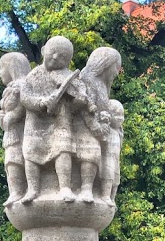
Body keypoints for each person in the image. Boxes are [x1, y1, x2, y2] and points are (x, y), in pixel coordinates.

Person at [19, 36, 92, 202]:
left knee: (63, 149)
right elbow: (25, 97)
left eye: (62, 57)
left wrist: (80, 101)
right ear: (44, 50)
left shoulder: (70, 78)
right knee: (30, 152)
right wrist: (42, 102)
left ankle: (64, 187)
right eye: (52, 53)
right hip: (36, 123)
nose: (55, 58)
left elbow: (77, 103)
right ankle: (32, 189)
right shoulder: (33, 75)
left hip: (61, 121)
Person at [75, 47, 122, 202]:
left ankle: (91, 190)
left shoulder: (102, 84)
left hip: (99, 128)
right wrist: (94, 125)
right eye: (116, 67)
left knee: (96, 155)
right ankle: (86, 189)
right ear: (106, 64)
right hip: (84, 127)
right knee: (91, 152)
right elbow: (84, 106)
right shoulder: (87, 79)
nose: (116, 73)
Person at [0, 52, 32, 205]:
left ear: (11, 68)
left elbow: (23, 107)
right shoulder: (9, 89)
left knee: (15, 160)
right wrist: (4, 118)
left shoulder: (22, 85)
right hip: (10, 132)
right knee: (10, 161)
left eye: (1, 68)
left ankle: (19, 191)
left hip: (22, 132)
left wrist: (10, 117)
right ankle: (16, 191)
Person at [101, 99, 124, 204]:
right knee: (108, 175)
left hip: (115, 159)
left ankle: (112, 198)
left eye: (122, 115)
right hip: (107, 158)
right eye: (117, 115)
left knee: (116, 179)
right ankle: (105, 195)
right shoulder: (108, 130)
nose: (120, 118)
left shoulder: (119, 132)